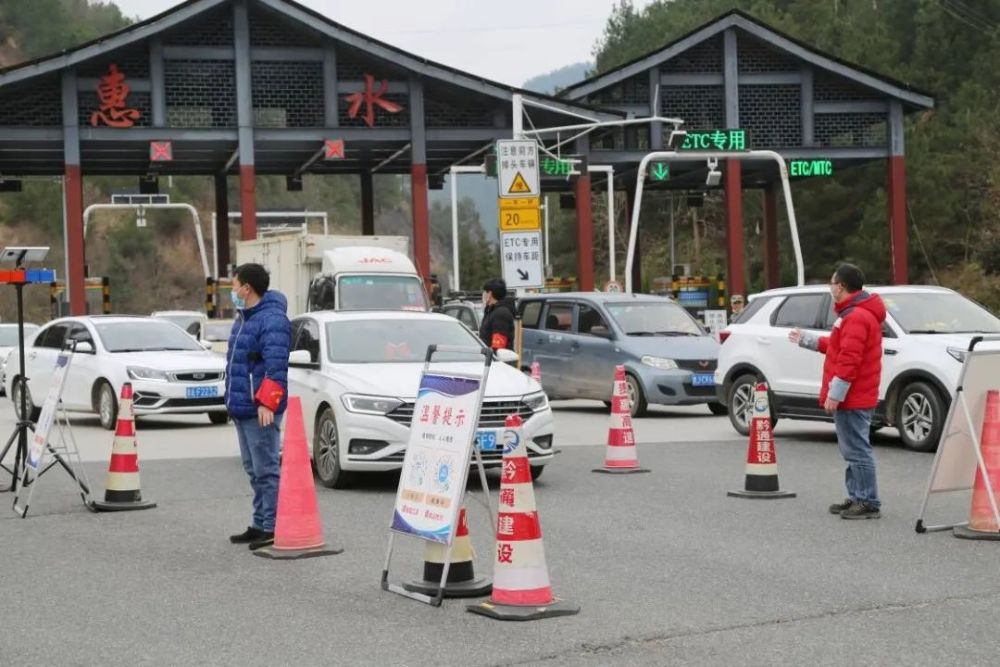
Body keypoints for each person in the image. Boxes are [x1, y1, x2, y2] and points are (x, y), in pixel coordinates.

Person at [789, 263, 886, 519]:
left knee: (856, 449)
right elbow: (838, 347)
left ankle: (868, 501)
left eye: (832, 282)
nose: (830, 287)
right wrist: (806, 340)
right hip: (855, 395)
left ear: (840, 286)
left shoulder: (856, 316)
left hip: (854, 397)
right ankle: (857, 496)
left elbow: (849, 359)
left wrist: (836, 393)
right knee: (851, 449)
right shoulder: (854, 314)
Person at [225, 263, 292, 549]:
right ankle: (259, 522)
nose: (232, 291)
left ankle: (272, 526)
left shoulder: (272, 319)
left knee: (266, 469)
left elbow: (276, 367)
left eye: (234, 285)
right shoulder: (243, 317)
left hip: (259, 408)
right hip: (241, 406)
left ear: (247, 288)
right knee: (253, 469)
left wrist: (267, 403)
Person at [479, 279, 516, 351]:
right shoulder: (491, 311)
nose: (483, 295)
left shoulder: (500, 314)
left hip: (497, 360)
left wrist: (493, 358)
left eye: (484, 292)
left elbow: (498, 346)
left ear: (489, 293)